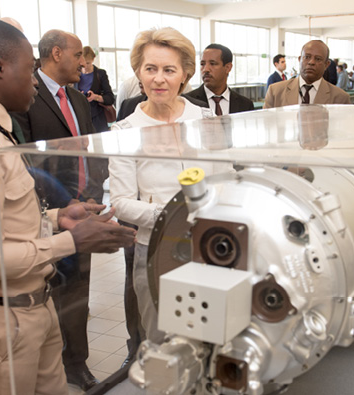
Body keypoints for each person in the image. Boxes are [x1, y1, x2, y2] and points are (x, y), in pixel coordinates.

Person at [0, 19, 136, 394]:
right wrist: (71, 243)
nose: (36, 81)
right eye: (30, 70)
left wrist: (58, 217)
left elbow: (5, 218)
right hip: (1, 319)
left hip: (33, 306)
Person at [109, 27, 232, 347]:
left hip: (209, 244)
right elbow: (120, 201)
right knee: (161, 339)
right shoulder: (126, 131)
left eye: (169, 70)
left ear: (185, 74)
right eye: (150, 69)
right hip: (156, 248)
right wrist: (170, 214)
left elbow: (228, 178)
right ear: (138, 72)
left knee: (211, 334)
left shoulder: (207, 122)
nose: (158, 79)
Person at [12, 30, 106, 391]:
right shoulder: (26, 97)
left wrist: (92, 191)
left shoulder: (78, 99)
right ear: (55, 54)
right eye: (78, 54)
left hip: (82, 210)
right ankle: (45, 363)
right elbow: (28, 163)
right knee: (50, 293)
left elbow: (90, 151)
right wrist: (57, 207)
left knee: (78, 294)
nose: (84, 62)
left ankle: (75, 363)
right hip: (47, 213)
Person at [264, 40, 350, 108]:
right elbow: (267, 126)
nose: (311, 62)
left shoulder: (340, 98)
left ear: (326, 64)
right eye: (307, 57)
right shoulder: (275, 92)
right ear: (299, 59)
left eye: (318, 59)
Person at [186, 43, 254, 115]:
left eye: (212, 63)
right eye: (202, 64)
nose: (205, 69)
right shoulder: (187, 103)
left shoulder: (245, 105)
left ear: (228, 67)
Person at [78, 46, 115, 133]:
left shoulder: (100, 74)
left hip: (97, 118)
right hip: (80, 118)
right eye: (83, 63)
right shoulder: (75, 74)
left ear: (93, 59)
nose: (85, 66)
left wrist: (96, 97)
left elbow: (110, 98)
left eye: (88, 63)